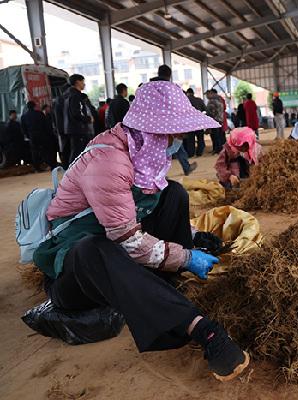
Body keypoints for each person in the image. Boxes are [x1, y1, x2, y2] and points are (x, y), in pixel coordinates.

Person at [31, 80, 249, 381]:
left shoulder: (138, 151)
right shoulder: (109, 162)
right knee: (92, 249)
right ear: (155, 130)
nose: (181, 138)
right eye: (176, 131)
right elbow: (129, 243)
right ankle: (200, 328)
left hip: (117, 253)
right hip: (76, 274)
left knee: (173, 193)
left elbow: (143, 206)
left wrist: (192, 237)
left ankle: (164, 286)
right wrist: (186, 257)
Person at [64, 74, 93, 163]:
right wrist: (88, 119)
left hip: (73, 128)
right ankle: (72, 173)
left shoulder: (69, 95)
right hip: (77, 128)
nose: (84, 84)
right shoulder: (75, 96)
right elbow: (76, 113)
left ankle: (75, 172)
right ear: (77, 82)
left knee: (78, 151)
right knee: (77, 151)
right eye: (83, 82)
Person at [21, 101, 58, 171]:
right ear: (34, 106)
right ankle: (49, 165)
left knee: (34, 152)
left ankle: (36, 168)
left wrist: (29, 136)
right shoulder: (39, 114)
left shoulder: (24, 116)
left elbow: (23, 128)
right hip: (42, 135)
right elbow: (45, 125)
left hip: (32, 136)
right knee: (45, 151)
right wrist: (49, 134)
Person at [186, 88, 207, 157]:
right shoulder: (199, 100)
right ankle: (199, 152)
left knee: (190, 139)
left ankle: (191, 153)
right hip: (198, 121)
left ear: (187, 93)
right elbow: (205, 109)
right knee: (200, 138)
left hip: (189, 122)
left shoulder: (185, 100)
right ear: (193, 93)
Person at [206, 89, 225, 154]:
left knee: (214, 136)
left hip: (214, 120)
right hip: (220, 120)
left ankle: (217, 149)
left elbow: (211, 112)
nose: (207, 96)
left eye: (207, 94)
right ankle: (219, 149)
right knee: (219, 135)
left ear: (211, 94)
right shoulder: (219, 100)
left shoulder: (211, 101)